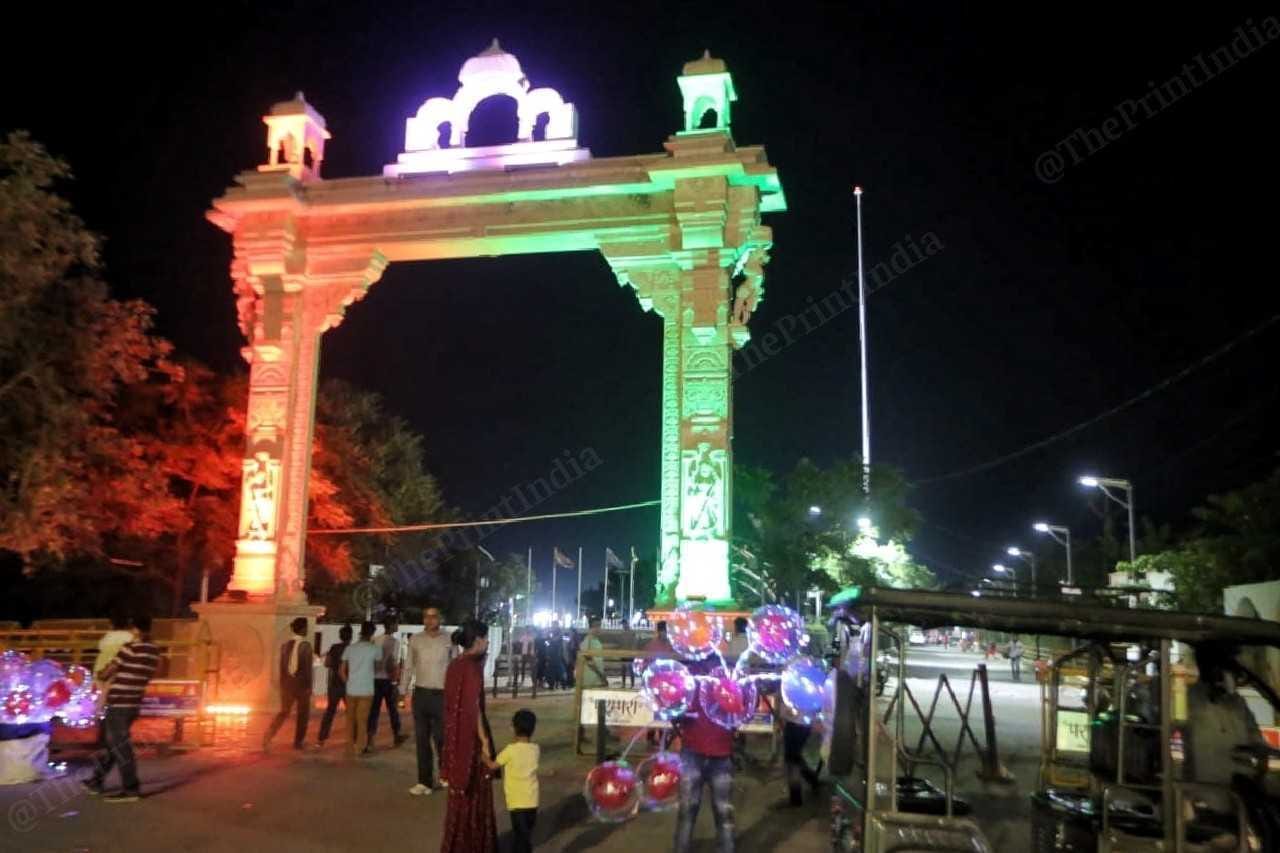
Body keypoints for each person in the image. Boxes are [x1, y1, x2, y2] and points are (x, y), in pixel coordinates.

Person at [84, 613, 161, 802]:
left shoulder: (129, 648)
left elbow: (107, 672)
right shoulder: (153, 651)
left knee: (120, 746)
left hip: (119, 702)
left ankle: (131, 788)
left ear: (134, 629)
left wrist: (101, 673)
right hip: (134, 702)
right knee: (114, 744)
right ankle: (96, 781)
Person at [441, 619, 498, 853]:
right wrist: (485, 743)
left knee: (459, 797)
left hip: (455, 741)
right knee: (475, 795)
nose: (488, 643)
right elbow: (474, 710)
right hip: (471, 743)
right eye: (486, 638)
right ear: (477, 640)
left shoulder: (455, 665)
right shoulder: (472, 669)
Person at [673, 656, 737, 853]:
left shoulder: (689, 676)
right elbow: (738, 716)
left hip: (702, 753)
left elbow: (676, 714)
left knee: (690, 810)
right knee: (720, 811)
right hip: (711, 753)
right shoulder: (728, 678)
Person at [403, 606, 453, 795]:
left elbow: (455, 666)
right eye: (426, 617)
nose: (430, 620)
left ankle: (445, 774)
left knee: (441, 737)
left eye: (433, 617)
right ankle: (424, 781)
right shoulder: (415, 640)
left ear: (439, 619)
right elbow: (408, 666)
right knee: (422, 739)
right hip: (421, 694)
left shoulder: (449, 640)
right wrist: (402, 690)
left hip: (442, 694)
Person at [486, 709, 540, 853]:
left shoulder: (510, 751)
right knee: (525, 836)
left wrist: (482, 755)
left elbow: (493, 765)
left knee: (520, 837)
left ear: (514, 728)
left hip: (517, 803)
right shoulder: (535, 749)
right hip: (532, 801)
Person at [263, 617, 314, 751]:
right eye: (306, 627)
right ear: (303, 629)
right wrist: (309, 687)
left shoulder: (285, 646)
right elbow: (307, 669)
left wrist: (282, 684)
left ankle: (268, 735)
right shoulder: (306, 646)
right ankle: (298, 742)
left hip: (287, 684)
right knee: (303, 715)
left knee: (284, 712)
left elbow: (282, 667)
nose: (307, 630)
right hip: (302, 685)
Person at [340, 622, 380, 756]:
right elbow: (377, 668)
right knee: (362, 720)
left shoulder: (350, 648)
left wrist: (348, 682)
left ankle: (349, 746)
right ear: (372, 633)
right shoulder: (375, 649)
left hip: (351, 689)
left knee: (350, 719)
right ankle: (360, 747)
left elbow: (341, 670)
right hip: (366, 689)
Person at [368, 616, 407, 749]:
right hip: (387, 679)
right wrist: (395, 681)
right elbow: (392, 662)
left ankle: (370, 739)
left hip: (374, 679)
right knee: (392, 709)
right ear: (391, 626)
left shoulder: (374, 639)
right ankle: (397, 735)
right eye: (396, 623)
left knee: (374, 710)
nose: (397, 626)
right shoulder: (394, 642)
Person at [317, 623, 352, 745]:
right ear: (351, 636)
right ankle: (353, 737)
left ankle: (321, 738)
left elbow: (327, 664)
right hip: (348, 684)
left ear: (340, 636)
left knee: (330, 711)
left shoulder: (334, 648)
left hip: (334, 684)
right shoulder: (352, 649)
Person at [580, 618, 609, 688]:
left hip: (597, 680)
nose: (598, 628)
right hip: (590, 679)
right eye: (595, 626)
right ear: (590, 628)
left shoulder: (597, 641)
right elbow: (588, 660)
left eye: (599, 626)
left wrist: (602, 674)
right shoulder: (587, 640)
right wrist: (600, 675)